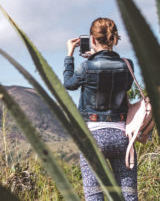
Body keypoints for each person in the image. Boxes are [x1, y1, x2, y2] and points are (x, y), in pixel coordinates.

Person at [63, 17, 138, 201]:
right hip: (123, 137)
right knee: (129, 196)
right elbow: (123, 85)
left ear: (93, 40)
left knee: (94, 196)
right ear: (114, 38)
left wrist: (70, 55)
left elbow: (69, 84)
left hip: (94, 137)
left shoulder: (86, 67)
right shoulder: (127, 65)